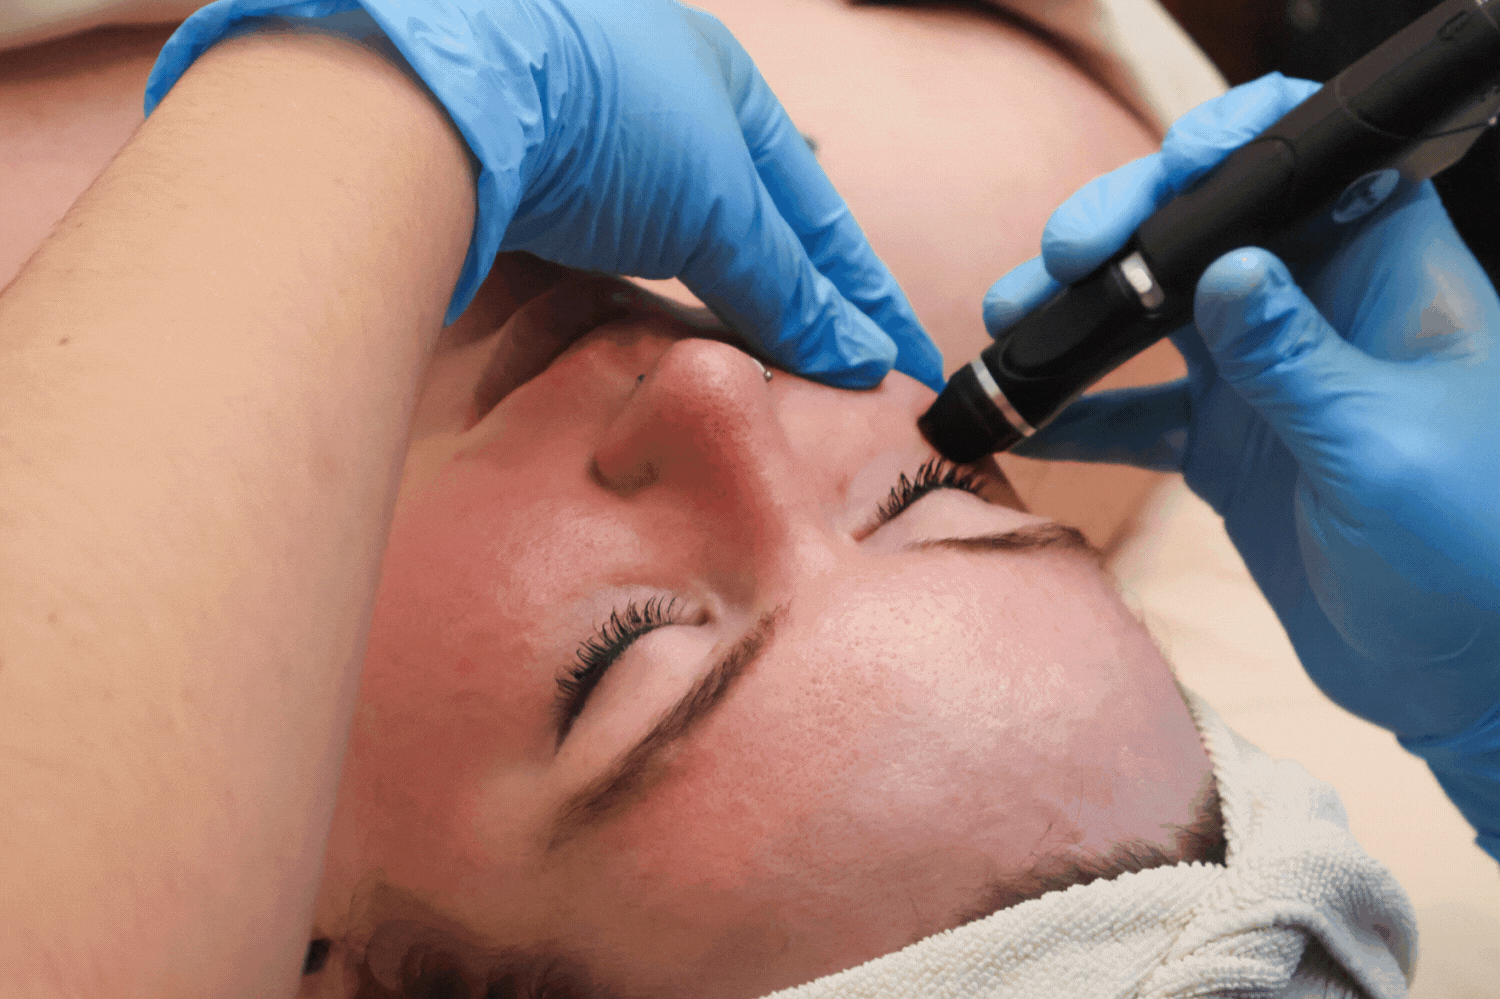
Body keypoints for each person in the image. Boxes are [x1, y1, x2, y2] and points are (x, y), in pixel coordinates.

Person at [0, 3, 1486, 999]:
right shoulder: (977, 191)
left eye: (624, 655)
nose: (714, 391)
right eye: (922, 491)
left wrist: (365, 91)